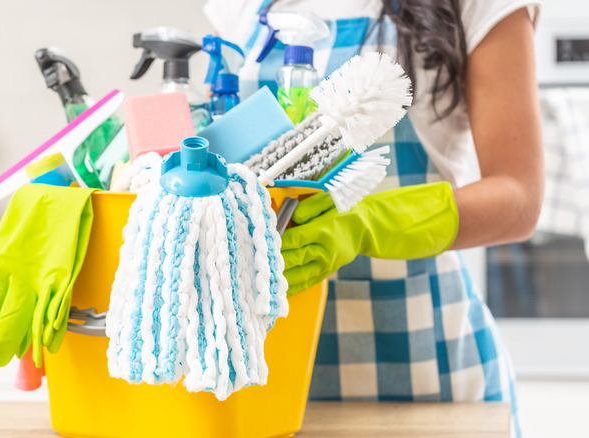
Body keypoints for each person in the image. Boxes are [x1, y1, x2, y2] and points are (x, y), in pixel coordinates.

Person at [204, 0, 543, 436]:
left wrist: (364, 225)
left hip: (426, 371)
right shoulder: (245, 7)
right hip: (271, 367)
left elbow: (520, 195)